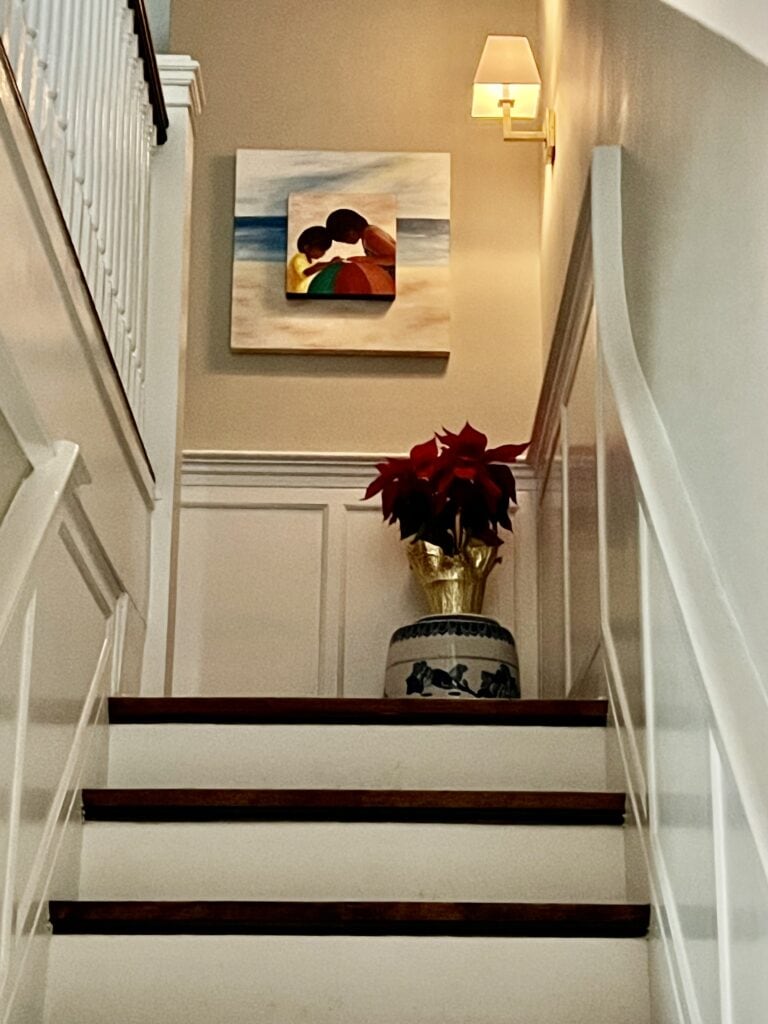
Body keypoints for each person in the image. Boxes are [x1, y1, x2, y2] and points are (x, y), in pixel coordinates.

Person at [325, 208, 396, 281]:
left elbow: (396, 258)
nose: (346, 243)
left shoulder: (370, 237)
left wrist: (363, 260)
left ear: (351, 232)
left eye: (343, 240)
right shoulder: (369, 232)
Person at [285, 225, 340, 294]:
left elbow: (317, 265)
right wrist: (330, 264)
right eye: (321, 250)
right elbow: (307, 271)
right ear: (307, 248)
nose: (323, 253)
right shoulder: (299, 258)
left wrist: (331, 262)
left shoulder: (307, 259)